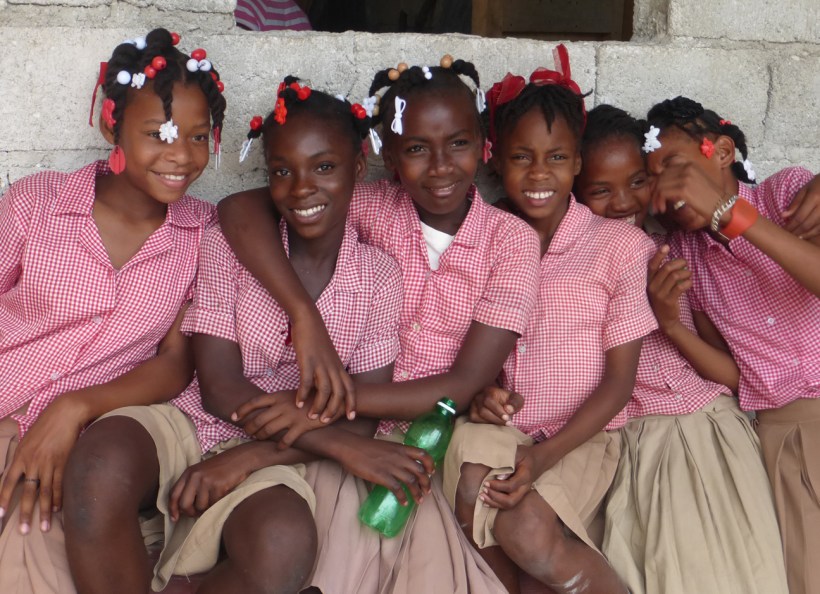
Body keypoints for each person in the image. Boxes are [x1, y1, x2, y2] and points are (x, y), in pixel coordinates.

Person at [63, 79, 434, 594]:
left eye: (324, 167)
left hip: (278, 459)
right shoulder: (232, 244)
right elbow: (219, 386)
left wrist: (250, 457)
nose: (302, 188)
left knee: (282, 543)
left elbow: (361, 415)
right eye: (282, 171)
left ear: (357, 170)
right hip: (192, 418)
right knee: (99, 464)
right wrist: (324, 439)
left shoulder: (378, 277)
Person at [217, 56, 540, 593]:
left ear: (484, 146)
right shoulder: (370, 205)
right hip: (348, 436)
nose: (439, 166)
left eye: (458, 144)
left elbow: (462, 386)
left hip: (423, 432)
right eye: (416, 149)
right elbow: (237, 211)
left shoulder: (510, 241)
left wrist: (318, 407)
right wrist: (305, 316)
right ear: (386, 155)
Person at [0, 27, 225, 593]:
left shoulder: (204, 235)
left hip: (79, 440)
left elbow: (177, 363)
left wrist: (71, 409)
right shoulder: (38, 204)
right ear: (110, 123)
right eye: (159, 134)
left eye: (199, 137)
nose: (181, 157)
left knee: (34, 538)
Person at [442, 47, 655, 594]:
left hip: (580, 438)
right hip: (503, 430)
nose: (539, 174)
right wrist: (482, 394)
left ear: (578, 163)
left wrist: (541, 458)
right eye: (522, 158)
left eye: (557, 158)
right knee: (470, 486)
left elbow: (620, 382)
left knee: (528, 532)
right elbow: (468, 342)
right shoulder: (482, 238)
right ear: (495, 160)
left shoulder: (620, 248)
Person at [574, 104, 789, 594]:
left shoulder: (676, 253)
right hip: (627, 446)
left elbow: (734, 375)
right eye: (601, 190)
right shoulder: (567, 266)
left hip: (704, 436)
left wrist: (670, 322)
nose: (625, 202)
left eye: (639, 182)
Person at [645, 95, 820, 594]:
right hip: (783, 433)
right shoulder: (684, 259)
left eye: (676, 166)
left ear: (721, 152)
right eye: (654, 178)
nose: (669, 189)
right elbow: (744, 377)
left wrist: (731, 214)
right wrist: (672, 326)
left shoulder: (785, 196)